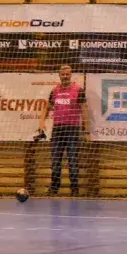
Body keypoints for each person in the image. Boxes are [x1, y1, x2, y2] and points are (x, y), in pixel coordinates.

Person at [38, 65, 89, 196]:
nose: (65, 76)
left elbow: (84, 110)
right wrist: (42, 123)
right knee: (55, 161)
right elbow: (47, 108)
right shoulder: (54, 91)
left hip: (72, 130)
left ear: (70, 75)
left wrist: (87, 131)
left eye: (67, 74)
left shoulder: (78, 90)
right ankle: (54, 188)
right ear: (59, 75)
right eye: (63, 74)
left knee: (72, 160)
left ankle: (74, 190)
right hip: (57, 130)